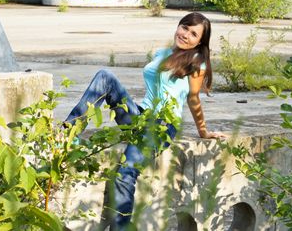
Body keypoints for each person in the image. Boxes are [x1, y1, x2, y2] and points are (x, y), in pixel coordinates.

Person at [64, 12, 226, 229]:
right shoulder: (163, 53)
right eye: (184, 27)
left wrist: (203, 131)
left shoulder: (197, 63)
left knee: (126, 172)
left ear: (200, 41)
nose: (186, 34)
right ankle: (67, 131)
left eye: (193, 33)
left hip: (161, 126)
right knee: (105, 77)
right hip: (140, 115)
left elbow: (193, 98)